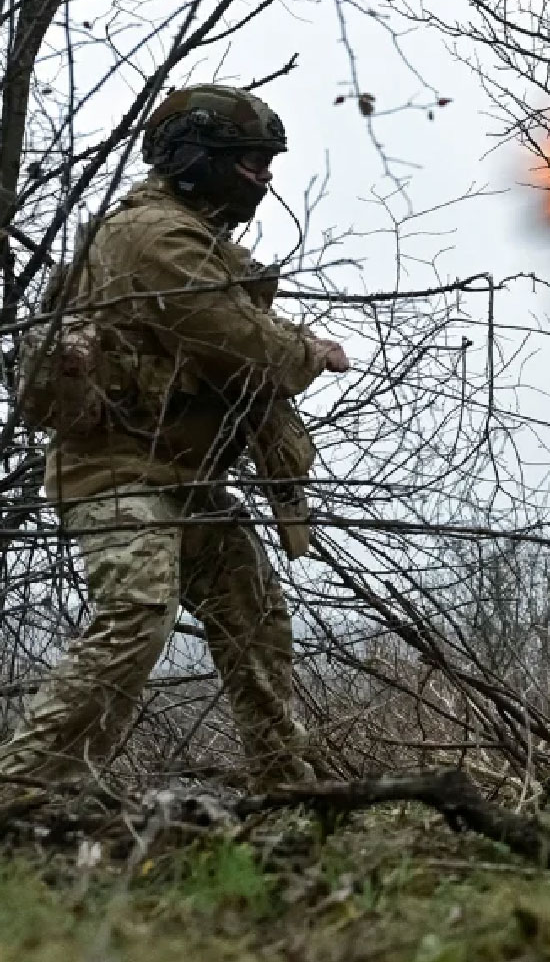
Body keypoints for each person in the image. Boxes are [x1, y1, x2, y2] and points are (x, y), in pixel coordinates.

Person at [0, 85, 349, 789]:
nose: (263, 178)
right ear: (195, 160)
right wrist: (309, 350)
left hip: (182, 480)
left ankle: (290, 785)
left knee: (253, 613)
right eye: (248, 162)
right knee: (136, 618)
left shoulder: (192, 234)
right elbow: (243, 343)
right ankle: (25, 787)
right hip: (119, 474)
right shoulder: (154, 236)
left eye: (264, 163)